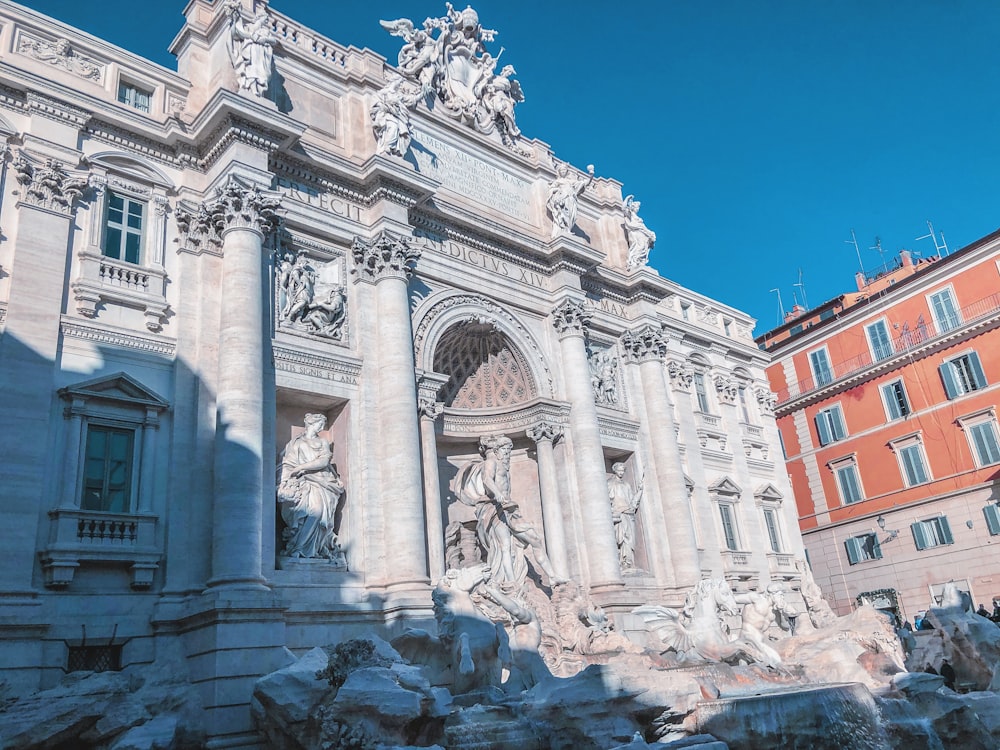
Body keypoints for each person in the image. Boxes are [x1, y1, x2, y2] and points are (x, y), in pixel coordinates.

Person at [456, 435, 565, 589]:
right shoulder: (490, 462)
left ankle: (553, 577)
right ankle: (511, 583)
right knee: (505, 545)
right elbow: (487, 479)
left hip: (509, 509)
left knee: (535, 539)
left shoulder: (505, 467)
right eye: (505, 451)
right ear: (497, 451)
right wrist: (497, 494)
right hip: (493, 507)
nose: (507, 454)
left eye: (509, 451)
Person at [277, 413, 345, 561]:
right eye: (318, 424)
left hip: (322, 482)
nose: (321, 428)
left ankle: (308, 549)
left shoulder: (323, 442)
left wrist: (301, 467)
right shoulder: (295, 443)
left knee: (318, 513)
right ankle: (299, 549)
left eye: (322, 425)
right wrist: (284, 481)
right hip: (303, 482)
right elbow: (286, 464)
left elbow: (324, 462)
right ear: (310, 424)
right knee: (308, 514)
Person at [228, 8, 276, 98]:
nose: (267, 21)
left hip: (261, 55)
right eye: (265, 18)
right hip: (250, 52)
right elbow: (237, 33)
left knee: (262, 73)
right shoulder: (248, 26)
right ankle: (253, 89)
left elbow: (274, 41)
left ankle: (258, 89)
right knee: (251, 70)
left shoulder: (266, 31)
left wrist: (265, 39)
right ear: (259, 17)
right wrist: (234, 21)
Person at [607, 463, 642, 570]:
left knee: (629, 539)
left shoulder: (626, 484)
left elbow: (632, 500)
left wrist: (640, 490)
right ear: (615, 470)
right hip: (618, 513)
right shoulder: (610, 483)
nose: (621, 473)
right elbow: (608, 499)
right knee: (621, 538)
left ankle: (628, 562)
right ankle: (623, 561)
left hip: (628, 513)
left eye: (623, 471)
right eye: (619, 470)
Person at [546, 163, 594, 238]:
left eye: (564, 170)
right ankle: (564, 229)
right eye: (561, 170)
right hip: (563, 199)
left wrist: (591, 176)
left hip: (571, 200)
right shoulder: (557, 181)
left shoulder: (570, 182)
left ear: (567, 171)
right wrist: (559, 191)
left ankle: (568, 229)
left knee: (571, 216)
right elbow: (551, 189)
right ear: (559, 171)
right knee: (564, 215)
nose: (563, 171)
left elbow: (583, 183)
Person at [623, 195, 656, 271]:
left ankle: (639, 262)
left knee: (643, 247)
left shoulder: (637, 217)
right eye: (637, 207)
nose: (638, 208)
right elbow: (623, 208)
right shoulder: (630, 214)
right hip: (636, 233)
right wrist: (627, 199)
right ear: (632, 207)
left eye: (638, 207)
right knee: (639, 247)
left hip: (642, 233)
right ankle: (634, 262)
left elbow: (643, 227)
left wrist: (650, 233)